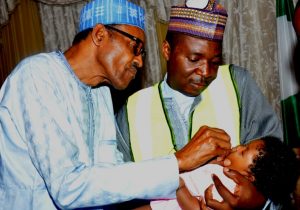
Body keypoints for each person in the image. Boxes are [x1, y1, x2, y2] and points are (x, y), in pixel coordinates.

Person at [0, 0, 233, 209]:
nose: (140, 61)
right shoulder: (37, 75)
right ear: (100, 35)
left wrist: (189, 183)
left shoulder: (100, 92)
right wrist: (178, 162)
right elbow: (67, 187)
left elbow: (110, 175)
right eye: (135, 47)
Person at [116, 0, 283, 209]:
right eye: (194, 59)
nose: (205, 72)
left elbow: (277, 172)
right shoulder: (132, 111)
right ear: (167, 50)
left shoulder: (238, 84)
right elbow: (117, 192)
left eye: (214, 62)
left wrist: (259, 202)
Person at [134, 137, 299, 210]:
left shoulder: (229, 189)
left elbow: (195, 208)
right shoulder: (223, 172)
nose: (238, 146)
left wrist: (179, 185)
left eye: (243, 152)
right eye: (244, 145)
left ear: (249, 176)